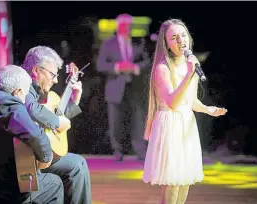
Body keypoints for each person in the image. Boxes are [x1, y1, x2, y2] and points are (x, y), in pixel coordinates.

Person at [142, 19, 228, 204]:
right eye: (174, 37)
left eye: (183, 35)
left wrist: (206, 109)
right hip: (170, 125)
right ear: (166, 43)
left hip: (186, 125)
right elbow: (173, 102)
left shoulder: (190, 65)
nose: (180, 40)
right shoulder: (162, 68)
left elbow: (189, 100)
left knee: (185, 180)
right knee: (173, 182)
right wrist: (189, 74)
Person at [0, 65, 64, 204]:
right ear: (18, 91)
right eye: (25, 96)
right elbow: (36, 135)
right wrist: (46, 157)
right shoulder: (9, 103)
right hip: (6, 189)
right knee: (54, 183)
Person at [21, 46, 92, 204]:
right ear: (36, 70)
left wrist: (74, 99)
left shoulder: (37, 89)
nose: (56, 80)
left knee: (77, 164)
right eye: (52, 74)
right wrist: (57, 122)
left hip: (36, 154)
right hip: (25, 160)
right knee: (77, 165)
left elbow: (54, 118)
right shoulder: (22, 84)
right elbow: (32, 109)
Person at [97, 13, 150, 161]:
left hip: (135, 88)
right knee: (115, 121)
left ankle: (140, 151)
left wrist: (135, 67)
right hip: (115, 88)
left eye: (129, 26)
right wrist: (118, 67)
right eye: (124, 26)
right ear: (118, 27)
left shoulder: (139, 42)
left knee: (138, 120)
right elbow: (100, 65)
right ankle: (117, 151)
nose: (127, 29)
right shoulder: (108, 43)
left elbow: (147, 62)